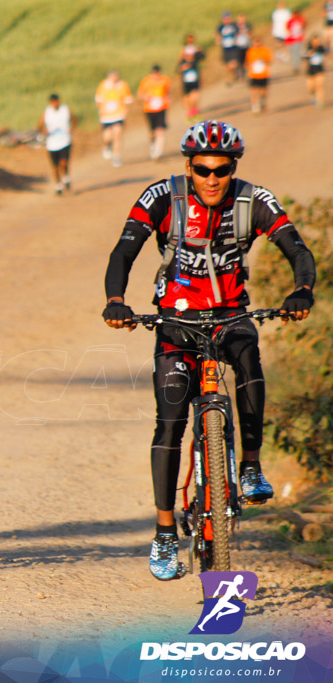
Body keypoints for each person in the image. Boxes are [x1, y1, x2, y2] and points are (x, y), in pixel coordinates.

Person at [102, 120, 315, 580]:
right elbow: (124, 250)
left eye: (222, 169)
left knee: (249, 361)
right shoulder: (163, 197)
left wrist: (302, 289)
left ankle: (252, 467)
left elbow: (296, 247)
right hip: (175, 322)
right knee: (172, 420)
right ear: (189, 166)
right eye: (203, 169)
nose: (213, 179)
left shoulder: (253, 200)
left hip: (230, 314)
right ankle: (163, 533)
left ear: (234, 166)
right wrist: (117, 301)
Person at [38, 93, 75, 195]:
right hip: (52, 143)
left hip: (64, 140)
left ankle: (65, 177)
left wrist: (72, 128)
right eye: (53, 102)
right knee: (55, 167)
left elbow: (73, 120)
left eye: (56, 101)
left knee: (63, 162)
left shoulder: (65, 109)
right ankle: (58, 185)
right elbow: (40, 125)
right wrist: (43, 131)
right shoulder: (47, 112)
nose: (55, 103)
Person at [95, 70, 133, 167]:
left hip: (118, 115)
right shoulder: (103, 85)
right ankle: (107, 146)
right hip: (106, 116)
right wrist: (100, 110)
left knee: (117, 136)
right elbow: (98, 99)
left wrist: (126, 111)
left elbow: (127, 99)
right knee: (107, 137)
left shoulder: (122, 85)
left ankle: (116, 157)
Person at [137, 65, 171, 161]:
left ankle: (158, 151)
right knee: (152, 132)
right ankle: (153, 146)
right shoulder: (146, 82)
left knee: (160, 130)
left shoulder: (165, 80)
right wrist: (145, 97)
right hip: (149, 109)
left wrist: (167, 100)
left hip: (161, 108)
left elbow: (167, 92)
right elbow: (139, 95)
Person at [178, 34, 206, 121]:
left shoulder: (195, 59)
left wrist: (200, 50)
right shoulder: (183, 56)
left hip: (194, 80)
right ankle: (190, 113)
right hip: (186, 81)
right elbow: (179, 66)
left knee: (195, 97)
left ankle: (194, 112)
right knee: (187, 98)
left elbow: (203, 58)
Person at [245, 36, 273, 112]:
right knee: (254, 91)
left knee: (264, 91)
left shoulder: (265, 50)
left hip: (264, 74)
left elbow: (269, 60)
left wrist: (262, 59)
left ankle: (263, 102)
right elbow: (247, 62)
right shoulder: (250, 51)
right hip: (254, 74)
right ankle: (255, 105)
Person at [216, 12, 240, 85]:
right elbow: (217, 35)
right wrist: (218, 40)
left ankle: (233, 76)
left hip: (233, 47)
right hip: (225, 48)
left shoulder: (233, 25)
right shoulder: (220, 27)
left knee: (233, 64)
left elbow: (238, 33)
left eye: (228, 18)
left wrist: (236, 40)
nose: (227, 20)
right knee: (227, 66)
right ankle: (232, 77)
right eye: (225, 18)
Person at [304, 34, 327, 108]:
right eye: (314, 41)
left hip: (319, 70)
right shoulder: (309, 48)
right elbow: (304, 57)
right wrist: (309, 54)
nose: (316, 42)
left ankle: (320, 102)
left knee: (319, 86)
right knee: (310, 87)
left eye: (317, 41)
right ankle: (313, 96)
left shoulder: (321, 48)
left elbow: (326, 53)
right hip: (310, 71)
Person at [234, 14, 253, 80]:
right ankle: (241, 74)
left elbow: (250, 34)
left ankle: (249, 74)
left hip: (247, 45)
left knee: (248, 60)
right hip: (239, 46)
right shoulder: (235, 27)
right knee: (240, 62)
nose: (242, 21)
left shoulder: (247, 26)